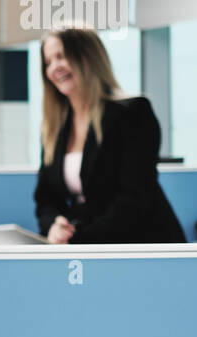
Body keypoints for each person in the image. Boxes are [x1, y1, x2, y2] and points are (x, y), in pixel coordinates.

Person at [33, 27, 184, 244]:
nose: (55, 67)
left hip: (140, 246)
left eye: (62, 57)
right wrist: (55, 225)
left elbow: (133, 200)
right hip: (86, 248)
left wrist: (77, 240)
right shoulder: (55, 126)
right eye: (48, 62)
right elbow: (45, 197)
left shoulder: (132, 114)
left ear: (88, 58)